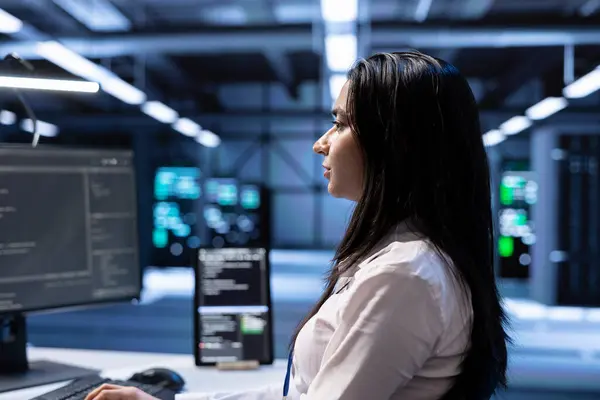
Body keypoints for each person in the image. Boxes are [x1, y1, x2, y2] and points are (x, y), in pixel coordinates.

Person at [85, 51, 509, 400]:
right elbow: (299, 393)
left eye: (341, 123)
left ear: (393, 144)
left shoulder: (403, 275)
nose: (320, 142)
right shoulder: (406, 259)